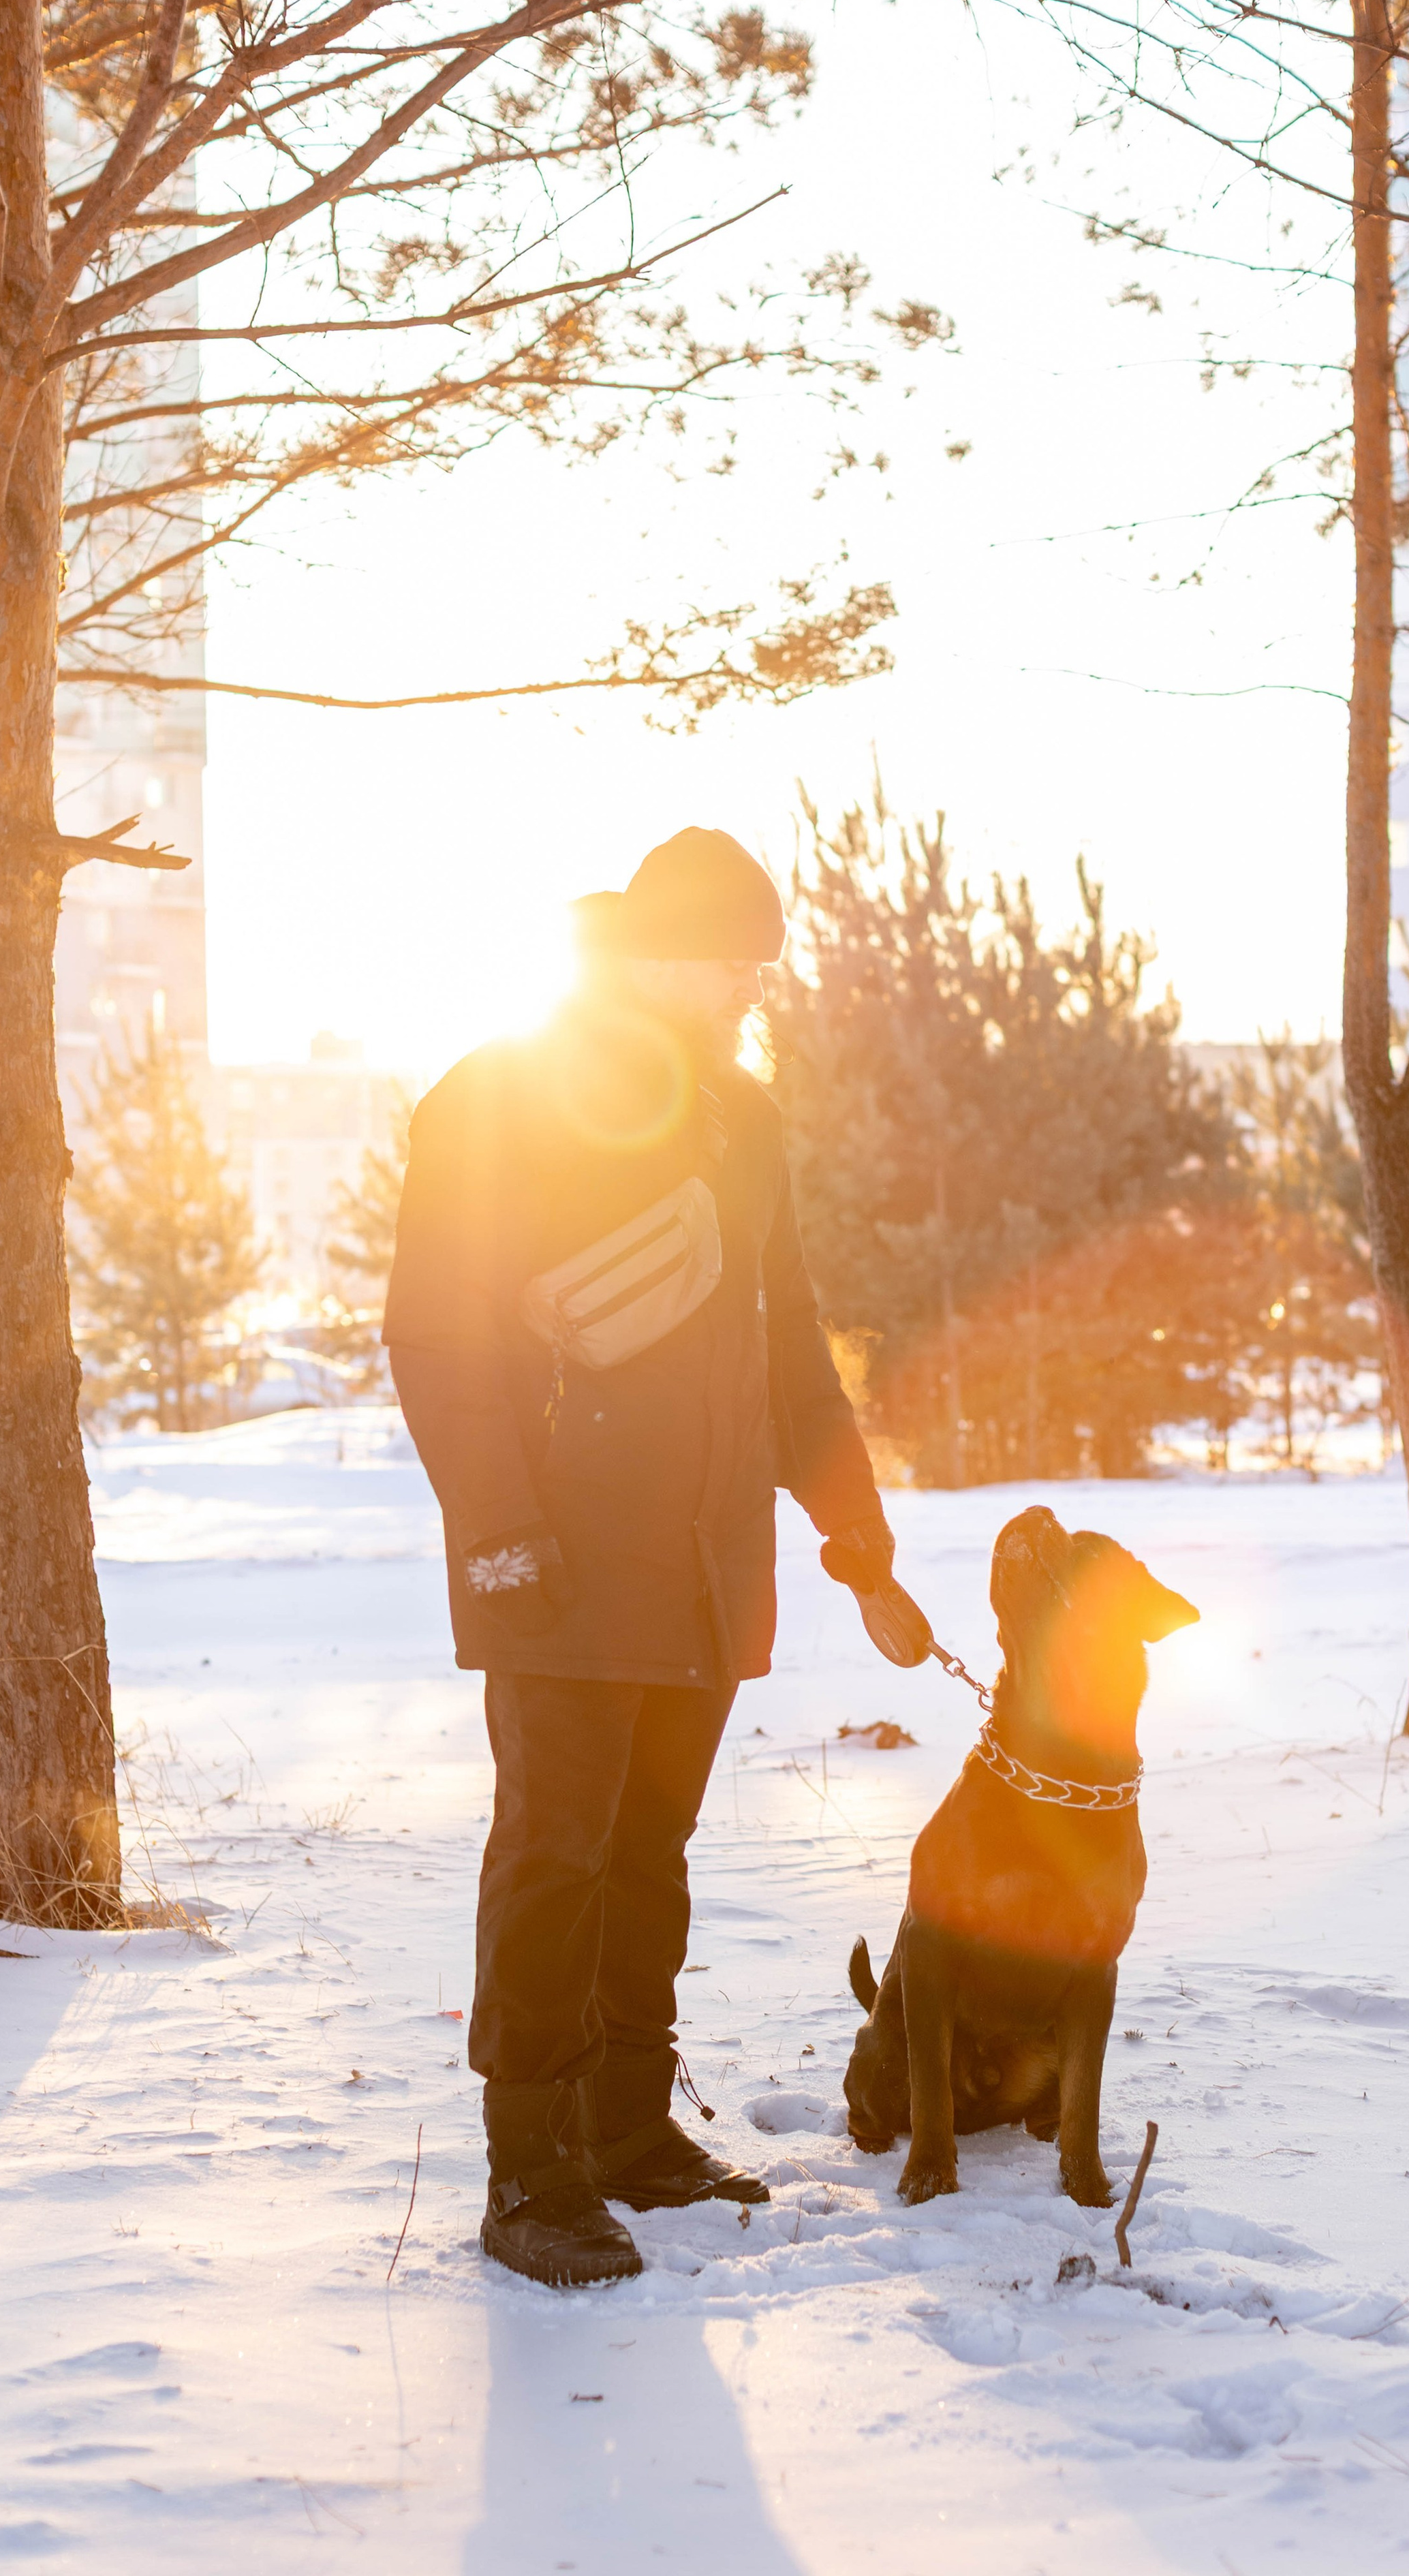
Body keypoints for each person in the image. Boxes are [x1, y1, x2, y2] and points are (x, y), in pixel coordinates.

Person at [384, 826, 907, 2288]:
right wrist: (496, 1537)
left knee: (649, 1854)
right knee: (554, 1858)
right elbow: (438, 1335)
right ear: (660, 951)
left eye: (762, 965)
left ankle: (622, 2127)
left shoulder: (740, 1118)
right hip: (556, 1562)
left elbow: (783, 1336)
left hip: (702, 1557)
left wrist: (847, 1521)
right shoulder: (500, 1095)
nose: (753, 989)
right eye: (735, 962)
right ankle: (528, 2172)